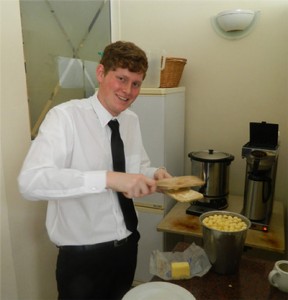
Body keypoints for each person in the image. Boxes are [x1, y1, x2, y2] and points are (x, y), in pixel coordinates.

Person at [18, 41, 172, 300]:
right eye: (121, 78)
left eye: (136, 83)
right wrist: (108, 179)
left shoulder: (131, 121)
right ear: (101, 74)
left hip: (127, 246)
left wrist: (155, 173)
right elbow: (30, 182)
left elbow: (137, 167)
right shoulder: (64, 117)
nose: (128, 90)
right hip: (82, 259)